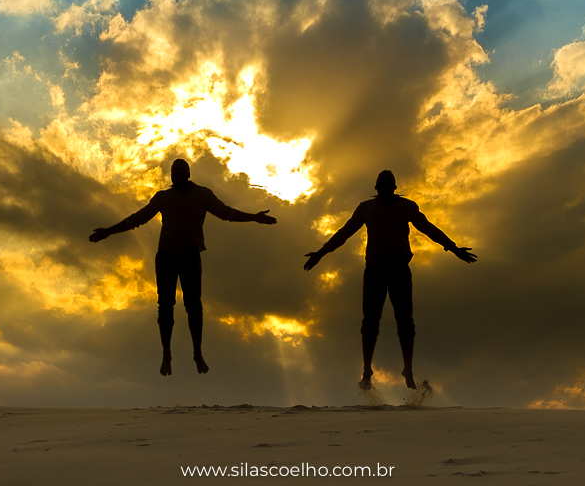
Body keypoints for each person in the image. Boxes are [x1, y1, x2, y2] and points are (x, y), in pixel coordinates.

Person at [90, 158, 277, 376]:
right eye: (174, 170)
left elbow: (227, 213)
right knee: (165, 305)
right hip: (166, 256)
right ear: (171, 175)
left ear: (188, 173)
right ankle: (166, 354)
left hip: (190, 255)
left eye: (181, 170)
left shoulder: (203, 194)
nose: (177, 173)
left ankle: (197, 352)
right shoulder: (163, 197)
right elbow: (137, 219)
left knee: (193, 306)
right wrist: (108, 231)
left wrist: (254, 217)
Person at [304, 170, 476, 390]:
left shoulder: (406, 207)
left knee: (405, 321)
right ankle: (366, 371)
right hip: (375, 270)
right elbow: (344, 233)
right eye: (381, 183)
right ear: (376, 188)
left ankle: (408, 370)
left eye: (388, 183)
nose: (384, 186)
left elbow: (428, 228)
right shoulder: (366, 208)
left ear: (395, 187)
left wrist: (453, 248)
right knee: (370, 321)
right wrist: (320, 253)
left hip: (399, 269)